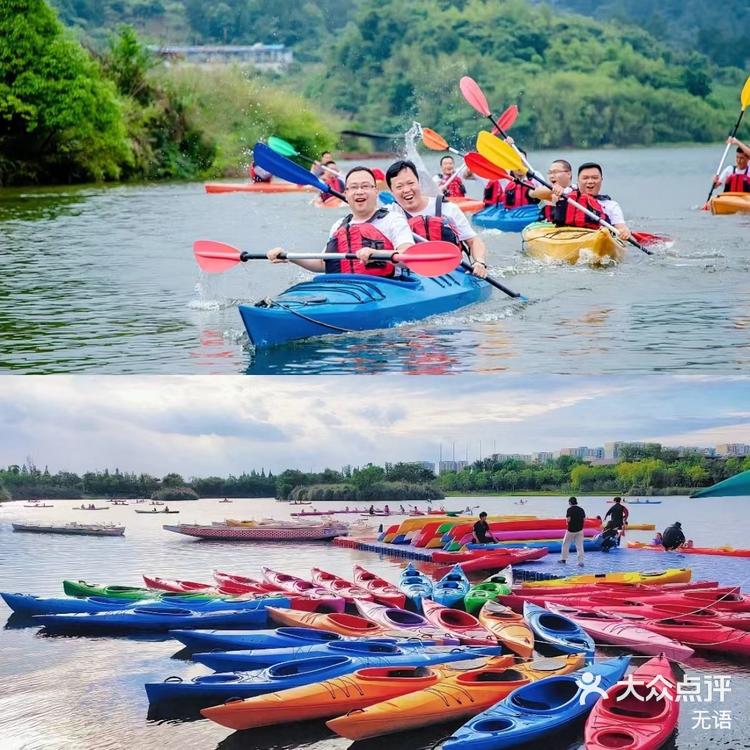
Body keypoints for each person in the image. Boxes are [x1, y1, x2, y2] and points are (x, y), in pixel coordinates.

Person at [267, 166, 413, 276]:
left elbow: (408, 257)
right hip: (347, 288)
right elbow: (322, 264)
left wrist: (376, 253)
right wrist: (288, 256)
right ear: (346, 193)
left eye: (365, 186)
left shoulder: (393, 219)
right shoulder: (340, 225)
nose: (359, 191)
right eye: (354, 187)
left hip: (388, 287)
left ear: (376, 191)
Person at [386, 159, 488, 278]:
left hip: (450, 272)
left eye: (410, 183)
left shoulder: (448, 208)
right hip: (411, 277)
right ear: (391, 191)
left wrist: (479, 262)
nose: (406, 190)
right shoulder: (388, 214)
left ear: (419, 182)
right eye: (399, 186)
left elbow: (473, 241)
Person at [549, 162, 631, 241]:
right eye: (585, 178)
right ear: (578, 180)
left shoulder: (611, 205)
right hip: (563, 237)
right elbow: (539, 193)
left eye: (595, 178)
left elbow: (621, 227)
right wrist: (554, 190)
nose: (590, 181)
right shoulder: (565, 193)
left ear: (601, 180)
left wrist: (624, 232)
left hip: (596, 239)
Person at [560, 496, 586, 566]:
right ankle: (580, 562)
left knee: (565, 544)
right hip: (580, 530)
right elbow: (584, 520)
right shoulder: (581, 509)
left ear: (570, 502)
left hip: (571, 530)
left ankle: (563, 559)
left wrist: (567, 522)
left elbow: (568, 519)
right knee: (580, 546)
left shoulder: (569, 510)